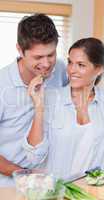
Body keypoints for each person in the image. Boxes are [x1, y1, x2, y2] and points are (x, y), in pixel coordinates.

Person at [28, 37, 104, 179]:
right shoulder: (50, 98)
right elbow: (33, 157)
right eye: (70, 62)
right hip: (55, 191)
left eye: (81, 65)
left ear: (99, 69)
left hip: (91, 192)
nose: (72, 70)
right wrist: (39, 108)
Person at [0, 13, 68, 186]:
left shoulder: (60, 70)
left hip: (50, 183)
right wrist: (23, 173)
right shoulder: (2, 84)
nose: (46, 64)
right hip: (8, 184)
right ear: (20, 50)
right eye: (38, 57)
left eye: (51, 55)